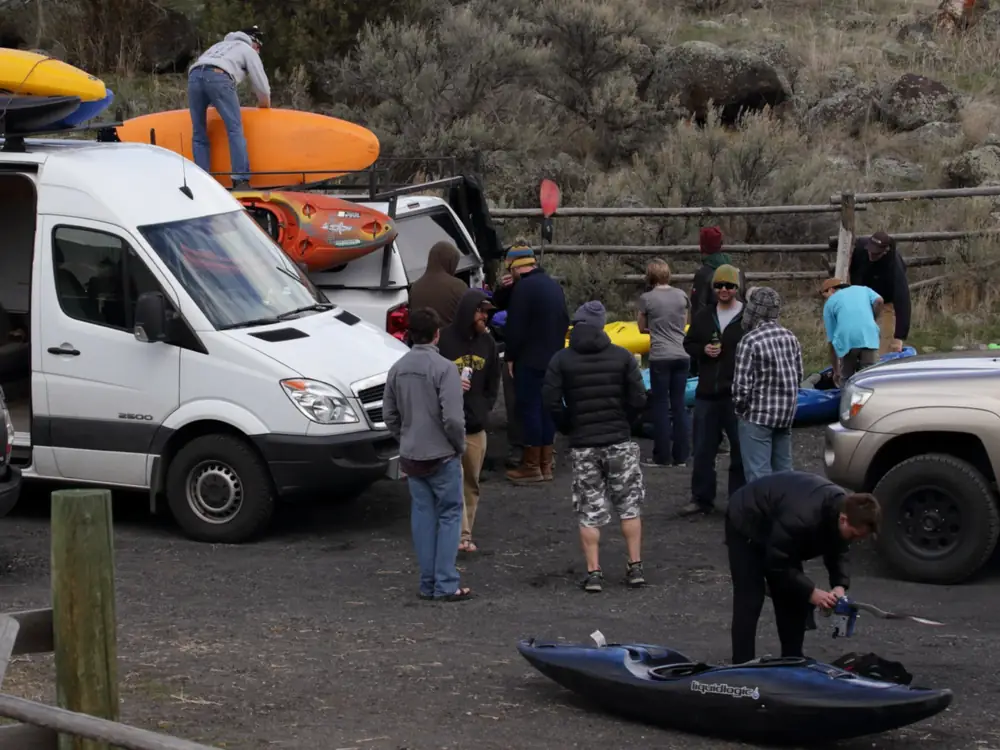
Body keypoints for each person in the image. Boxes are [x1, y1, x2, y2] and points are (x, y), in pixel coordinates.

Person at [542, 301, 648, 592]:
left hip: (583, 444)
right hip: (619, 441)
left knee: (589, 509)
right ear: (602, 326)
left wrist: (568, 425)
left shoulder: (561, 360)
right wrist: (625, 422)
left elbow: (550, 401)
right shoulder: (623, 356)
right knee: (629, 505)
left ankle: (594, 572)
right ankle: (635, 566)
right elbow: (639, 397)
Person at [724, 470, 881, 664]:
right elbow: (778, 563)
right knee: (750, 598)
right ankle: (741, 664)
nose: (857, 540)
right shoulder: (804, 517)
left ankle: (792, 658)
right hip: (747, 520)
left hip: (781, 530)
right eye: (856, 535)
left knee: (792, 595)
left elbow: (839, 550)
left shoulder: (841, 510)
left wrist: (839, 586)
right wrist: (813, 593)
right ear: (843, 519)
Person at [382, 307, 473, 602]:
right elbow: (454, 419)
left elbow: (389, 414)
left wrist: (404, 439)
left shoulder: (397, 368)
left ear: (409, 334)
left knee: (422, 516)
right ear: (436, 334)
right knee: (449, 516)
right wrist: (458, 445)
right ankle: (446, 583)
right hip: (442, 454)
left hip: (411, 453)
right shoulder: (445, 368)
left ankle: (428, 582)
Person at [437, 289, 501, 554]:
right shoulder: (444, 340)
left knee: (471, 483)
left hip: (476, 426)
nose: (485, 316)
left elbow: (493, 382)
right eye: (481, 311)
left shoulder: (488, 343)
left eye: (487, 312)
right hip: (448, 425)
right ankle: (461, 536)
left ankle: (465, 531)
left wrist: (483, 409)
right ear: (468, 311)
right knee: (453, 479)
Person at [681, 264, 746, 516]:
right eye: (719, 285)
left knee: (740, 450)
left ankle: (738, 500)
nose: (724, 290)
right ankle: (701, 499)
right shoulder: (704, 315)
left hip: (736, 393)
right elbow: (689, 343)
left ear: (736, 288)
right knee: (703, 449)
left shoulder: (746, 317)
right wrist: (702, 351)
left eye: (729, 286)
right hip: (707, 391)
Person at [503, 246, 570, 484]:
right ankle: (545, 464)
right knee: (547, 409)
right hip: (553, 356)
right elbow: (564, 319)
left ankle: (531, 466)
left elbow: (516, 326)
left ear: (517, 267)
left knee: (530, 408)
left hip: (529, 358)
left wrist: (511, 355)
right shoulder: (553, 286)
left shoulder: (523, 288)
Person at [731, 287, 803, 484]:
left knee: (758, 475)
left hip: (758, 415)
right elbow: (798, 376)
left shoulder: (750, 341)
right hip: (785, 414)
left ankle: (762, 513)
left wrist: (741, 409)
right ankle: (785, 510)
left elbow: (741, 387)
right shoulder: (791, 337)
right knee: (784, 473)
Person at [187, 26, 271, 190]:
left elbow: (204, 69)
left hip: (194, 76)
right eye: (258, 47)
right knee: (234, 129)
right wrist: (265, 105)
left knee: (198, 133)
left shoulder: (217, 46)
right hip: (219, 75)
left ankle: (201, 181)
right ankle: (240, 180)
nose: (258, 51)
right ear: (253, 42)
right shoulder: (247, 49)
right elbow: (262, 86)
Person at [637, 259, 691, 468]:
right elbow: (686, 322)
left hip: (660, 355)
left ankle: (662, 456)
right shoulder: (681, 295)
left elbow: (641, 328)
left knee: (660, 405)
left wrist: (656, 329)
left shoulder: (646, 298)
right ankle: (682, 455)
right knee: (679, 405)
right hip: (681, 354)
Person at [490, 242, 533, 470]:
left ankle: (528, 448)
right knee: (520, 401)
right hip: (524, 349)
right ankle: (528, 448)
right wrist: (504, 288)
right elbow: (497, 303)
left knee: (520, 400)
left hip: (523, 351)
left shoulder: (531, 287)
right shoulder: (515, 286)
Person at [848, 231, 910, 355]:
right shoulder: (861, 250)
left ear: (885, 251)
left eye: (876, 253)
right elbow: (853, 274)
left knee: (885, 347)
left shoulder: (894, 266)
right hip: (863, 300)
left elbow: (902, 299)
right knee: (859, 343)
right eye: (870, 250)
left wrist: (899, 336)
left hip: (886, 301)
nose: (871, 254)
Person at [820, 278, 884, 384]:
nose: (826, 299)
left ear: (831, 290)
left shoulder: (830, 303)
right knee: (870, 376)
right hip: (869, 335)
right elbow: (879, 301)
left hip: (847, 341)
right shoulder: (864, 289)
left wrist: (836, 371)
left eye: (825, 295)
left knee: (847, 379)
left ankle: (848, 398)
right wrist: (873, 318)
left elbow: (831, 341)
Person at [408, 242, 470, 328]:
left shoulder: (415, 287)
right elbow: (469, 319)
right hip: (451, 340)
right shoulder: (459, 286)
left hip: (423, 339)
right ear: (450, 262)